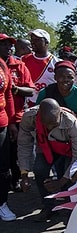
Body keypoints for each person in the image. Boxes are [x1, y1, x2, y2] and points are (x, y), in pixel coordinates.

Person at [18, 98, 77, 221]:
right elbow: (24, 144)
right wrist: (24, 174)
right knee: (39, 170)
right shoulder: (29, 117)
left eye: (54, 124)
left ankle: (71, 209)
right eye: (46, 124)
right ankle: (48, 207)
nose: (50, 127)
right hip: (46, 148)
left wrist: (61, 181)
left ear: (60, 114)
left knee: (71, 176)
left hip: (69, 151)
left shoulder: (70, 122)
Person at [0, 33, 34, 192]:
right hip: (3, 116)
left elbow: (30, 90)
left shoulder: (19, 65)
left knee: (16, 152)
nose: (8, 48)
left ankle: (17, 179)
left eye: (10, 45)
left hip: (16, 116)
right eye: (4, 44)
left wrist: (16, 89)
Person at [21, 29, 59, 106]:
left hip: (49, 105)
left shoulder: (57, 62)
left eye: (37, 40)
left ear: (46, 42)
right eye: (32, 39)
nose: (33, 42)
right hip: (27, 104)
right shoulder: (23, 60)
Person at [0, 56, 15, 221]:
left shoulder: (1, 64)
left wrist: (11, 122)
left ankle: (2, 203)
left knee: (3, 168)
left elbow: (8, 93)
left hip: (1, 123)